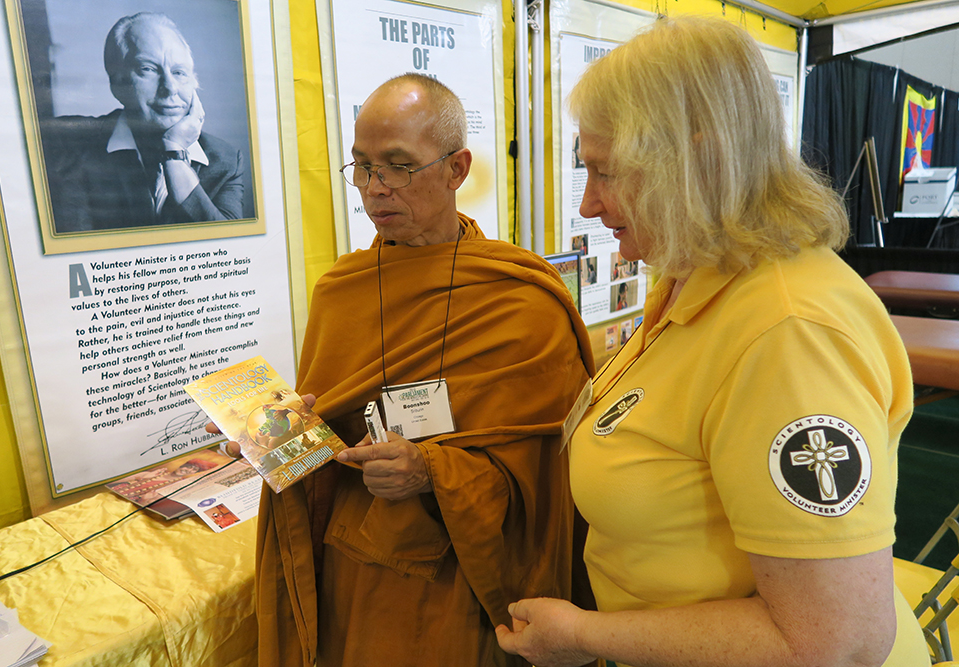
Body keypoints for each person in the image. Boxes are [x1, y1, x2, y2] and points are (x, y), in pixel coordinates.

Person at [495, 17, 930, 667]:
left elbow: (834, 642)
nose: (587, 204)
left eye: (606, 173)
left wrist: (584, 634)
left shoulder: (788, 334)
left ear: (696, 158)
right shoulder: (698, 275)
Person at [240, 73, 593, 666]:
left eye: (397, 166)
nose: (375, 189)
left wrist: (433, 471)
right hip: (357, 569)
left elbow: (550, 471)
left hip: (467, 578)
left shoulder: (521, 298)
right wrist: (267, 435)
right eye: (361, 166)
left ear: (457, 169)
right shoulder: (341, 292)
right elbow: (325, 435)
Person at [39, 12, 246, 233]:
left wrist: (174, 154)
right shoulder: (69, 144)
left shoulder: (226, 161)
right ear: (118, 84)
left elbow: (230, 246)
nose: (170, 87)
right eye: (148, 69)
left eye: (179, 72)